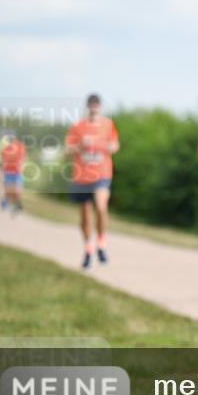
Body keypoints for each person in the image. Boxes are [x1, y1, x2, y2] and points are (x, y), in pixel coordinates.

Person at [65, 94, 120, 267]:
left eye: (97, 104)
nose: (94, 107)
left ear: (100, 107)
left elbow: (115, 145)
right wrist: (80, 146)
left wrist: (111, 147)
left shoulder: (108, 124)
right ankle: (88, 249)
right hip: (82, 176)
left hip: (102, 174)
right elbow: (66, 151)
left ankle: (101, 243)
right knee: (85, 217)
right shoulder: (77, 126)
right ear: (87, 106)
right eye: (91, 104)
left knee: (101, 206)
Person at [0, 130, 26, 214]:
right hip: (8, 172)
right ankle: (6, 202)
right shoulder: (4, 149)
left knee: (17, 191)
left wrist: (22, 166)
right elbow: (3, 161)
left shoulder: (20, 146)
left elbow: (23, 158)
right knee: (9, 190)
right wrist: (2, 170)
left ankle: (17, 205)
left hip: (17, 172)